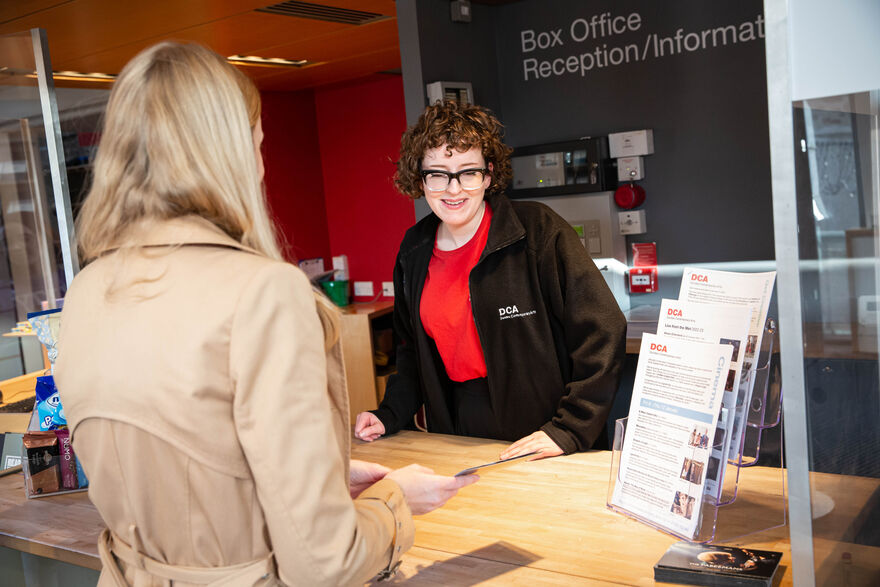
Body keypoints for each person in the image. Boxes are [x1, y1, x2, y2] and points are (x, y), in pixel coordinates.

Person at [54, 42, 475, 586]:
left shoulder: (89, 291)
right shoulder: (263, 294)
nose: (260, 162)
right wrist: (395, 501)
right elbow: (324, 564)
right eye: (257, 142)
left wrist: (317, 478)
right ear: (228, 153)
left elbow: (181, 468)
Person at [355, 100, 626, 460]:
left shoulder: (538, 231)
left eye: (468, 172)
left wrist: (571, 428)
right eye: (438, 174)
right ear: (420, 179)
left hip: (543, 431)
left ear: (488, 174)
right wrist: (389, 414)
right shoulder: (414, 249)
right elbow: (411, 354)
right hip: (455, 428)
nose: (454, 190)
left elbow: (603, 330)